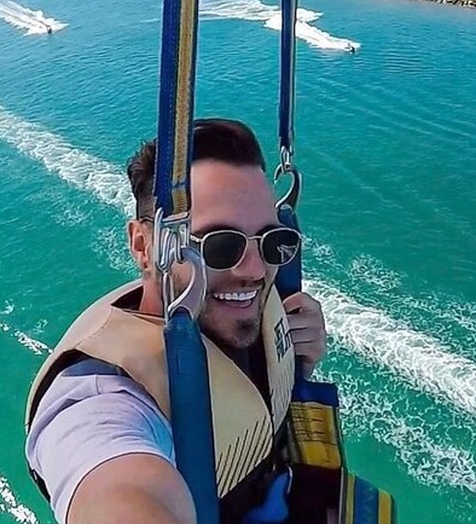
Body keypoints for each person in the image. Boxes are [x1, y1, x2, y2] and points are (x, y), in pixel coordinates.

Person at [25, 119, 329, 524]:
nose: (255, 269)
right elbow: (112, 486)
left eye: (272, 241)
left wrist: (296, 356)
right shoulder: (103, 397)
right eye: (221, 245)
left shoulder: (249, 301)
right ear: (143, 246)